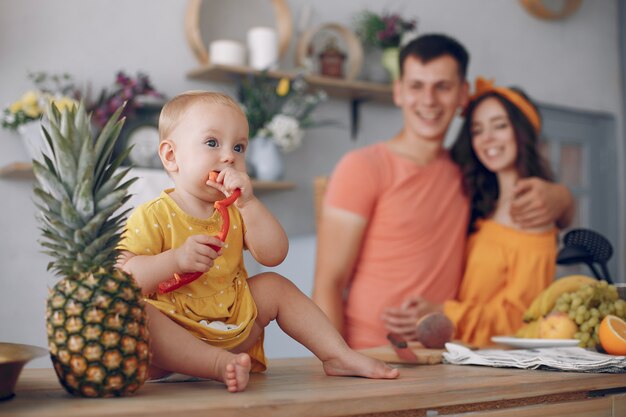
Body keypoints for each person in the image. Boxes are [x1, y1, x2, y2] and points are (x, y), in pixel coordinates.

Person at [116, 91, 398, 393]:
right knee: (134, 310)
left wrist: (249, 204)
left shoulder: (237, 209)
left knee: (274, 285)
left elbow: (275, 254)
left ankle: (338, 355)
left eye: (239, 147)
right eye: (212, 143)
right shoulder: (153, 214)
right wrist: (174, 260)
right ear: (171, 156)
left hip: (233, 328)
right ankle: (214, 365)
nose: (229, 157)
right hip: (172, 344)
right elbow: (125, 278)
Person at [312, 34, 573, 350]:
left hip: (445, 356)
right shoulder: (362, 167)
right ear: (399, 92)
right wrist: (332, 362)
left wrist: (562, 197)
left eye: (442, 87)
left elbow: (531, 215)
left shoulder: (468, 172)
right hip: (371, 353)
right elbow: (328, 283)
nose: (428, 100)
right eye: (416, 86)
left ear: (463, 95)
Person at [383, 77, 559, 347]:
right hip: (458, 356)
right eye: (477, 130)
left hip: (494, 368)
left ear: (523, 132)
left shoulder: (533, 214)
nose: (487, 138)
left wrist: (443, 313)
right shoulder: (480, 202)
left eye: (499, 126)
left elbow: (519, 320)